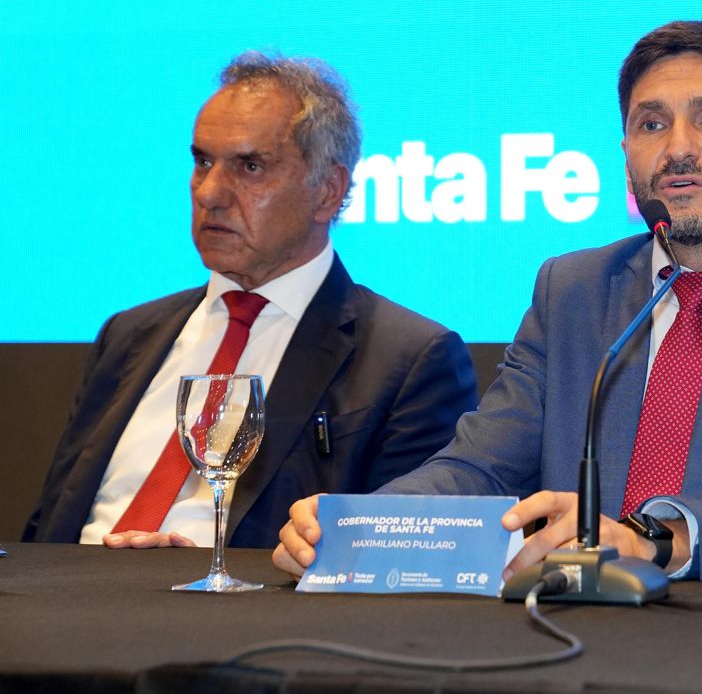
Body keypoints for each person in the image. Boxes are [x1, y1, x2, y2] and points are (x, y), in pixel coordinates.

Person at [274, 21, 702, 581]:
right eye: (652, 124)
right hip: (570, 624)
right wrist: (359, 526)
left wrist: (650, 539)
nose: (678, 148)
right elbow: (480, 466)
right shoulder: (573, 289)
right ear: (627, 156)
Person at [26, 52, 478, 549]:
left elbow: (392, 557)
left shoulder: (409, 360)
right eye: (203, 161)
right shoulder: (129, 334)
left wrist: (184, 572)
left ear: (327, 192)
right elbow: (50, 522)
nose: (210, 193)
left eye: (250, 166)